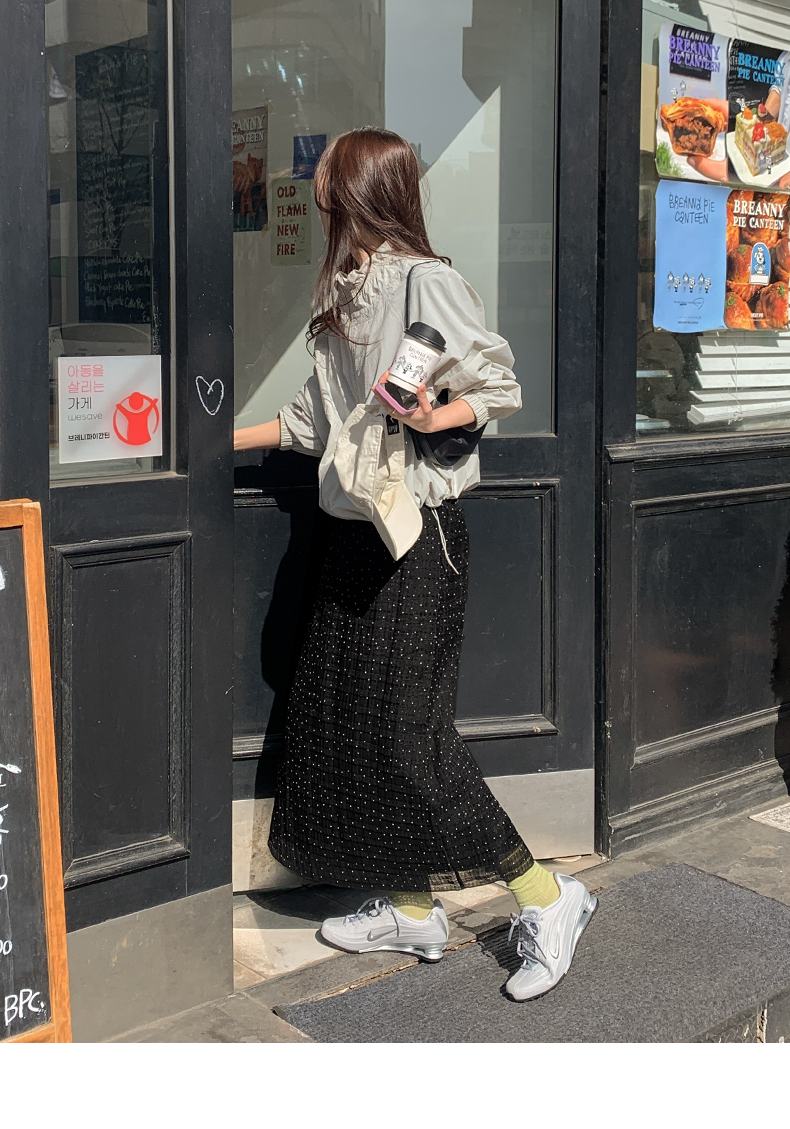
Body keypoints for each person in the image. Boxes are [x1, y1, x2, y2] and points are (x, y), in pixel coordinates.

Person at [234, 127, 597, 1000]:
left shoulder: (424, 281)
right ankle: (411, 908)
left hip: (418, 538)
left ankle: (547, 897)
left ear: (355, 184)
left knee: (409, 738)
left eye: (326, 166)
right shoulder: (343, 291)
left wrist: (436, 415)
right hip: (351, 535)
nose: (313, 176)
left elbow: (499, 384)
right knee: (357, 729)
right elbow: (311, 422)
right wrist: (205, 443)